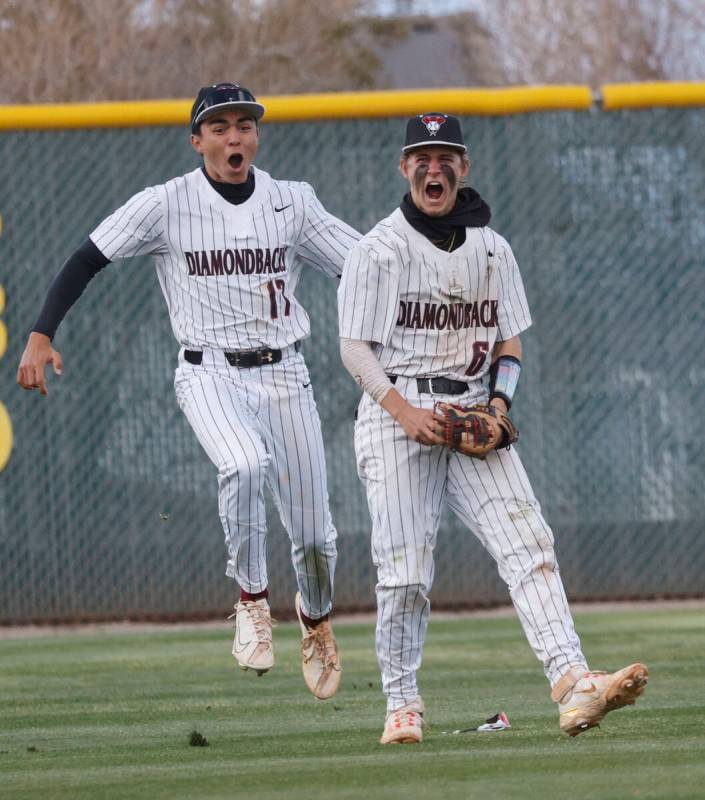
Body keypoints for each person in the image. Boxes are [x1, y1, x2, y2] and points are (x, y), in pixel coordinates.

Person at [17, 82, 360, 700]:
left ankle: (315, 620)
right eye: (221, 127)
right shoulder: (165, 204)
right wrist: (42, 333)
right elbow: (87, 257)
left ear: (256, 135)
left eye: (245, 125)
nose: (235, 137)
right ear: (197, 139)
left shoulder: (292, 203)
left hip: (286, 371)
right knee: (244, 464)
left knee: (314, 537)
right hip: (208, 371)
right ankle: (253, 600)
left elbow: (362, 264)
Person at [337, 112, 648, 743]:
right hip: (399, 412)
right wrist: (403, 411)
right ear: (404, 168)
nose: (434, 166)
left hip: (473, 409)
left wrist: (500, 411)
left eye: (446, 155)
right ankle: (401, 703)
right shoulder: (378, 249)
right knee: (405, 572)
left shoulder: (493, 247)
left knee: (530, 546)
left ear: (464, 167)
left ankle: (575, 686)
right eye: (422, 156)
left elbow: (509, 342)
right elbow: (354, 349)